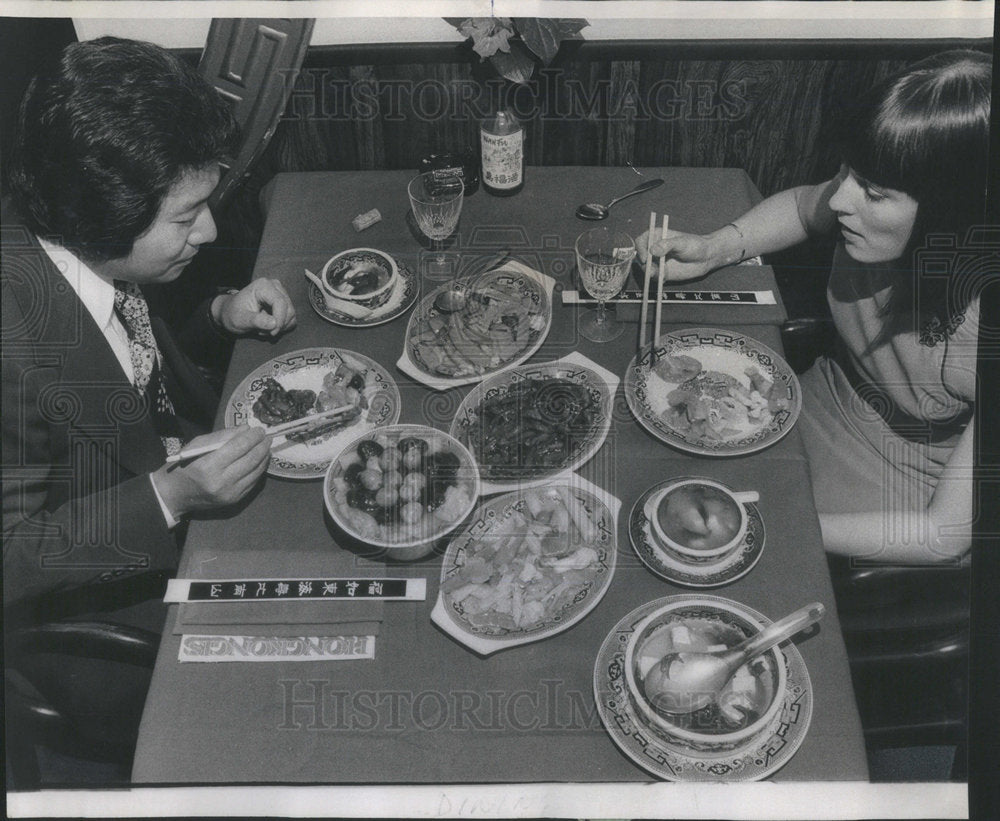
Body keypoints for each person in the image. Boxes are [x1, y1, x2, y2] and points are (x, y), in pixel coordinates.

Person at [2, 37, 297, 752]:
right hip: (109, 614)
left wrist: (217, 314)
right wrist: (171, 497)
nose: (213, 228)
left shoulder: (84, 243)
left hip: (182, 494)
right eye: (186, 214)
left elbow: (124, 378)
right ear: (106, 212)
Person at [636, 50, 990, 565]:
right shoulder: (864, 206)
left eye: (871, 190)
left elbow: (944, 535)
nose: (841, 198)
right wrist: (715, 247)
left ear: (950, 216)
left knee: (695, 546)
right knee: (654, 467)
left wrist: (777, 523)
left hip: (901, 494)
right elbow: (805, 205)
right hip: (816, 405)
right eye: (848, 172)